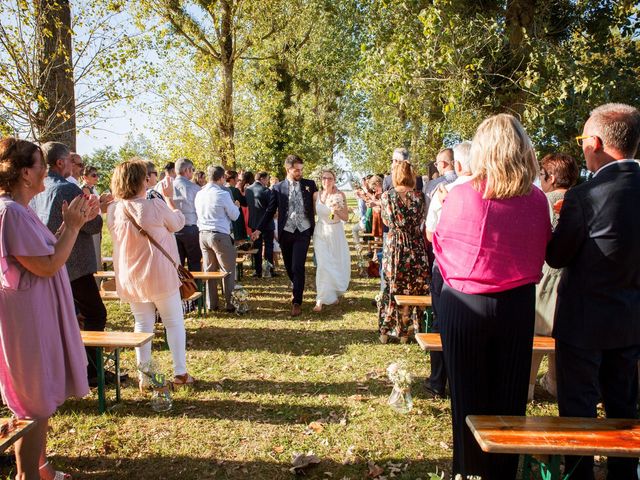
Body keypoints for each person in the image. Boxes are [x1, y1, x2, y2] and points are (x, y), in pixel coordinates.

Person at [434, 114, 551, 479]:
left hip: (465, 302)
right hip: (515, 303)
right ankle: (502, 472)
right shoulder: (536, 199)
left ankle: (468, 471)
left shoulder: (462, 194)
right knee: (508, 397)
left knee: (467, 398)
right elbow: (542, 248)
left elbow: (441, 244)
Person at [546, 103, 640, 480]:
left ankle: (580, 474)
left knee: (578, 412)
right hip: (631, 320)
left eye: (583, 139)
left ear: (596, 143)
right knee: (624, 409)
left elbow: (556, 256)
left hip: (582, 325)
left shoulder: (584, 197)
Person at [0, 137, 92, 480]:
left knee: (38, 398)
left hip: (36, 314)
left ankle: (41, 467)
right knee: (32, 404)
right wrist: (73, 226)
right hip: (25, 321)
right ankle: (29, 475)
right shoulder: (9, 212)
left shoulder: (21, 211)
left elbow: (44, 250)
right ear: (25, 173)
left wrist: (72, 221)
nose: (47, 171)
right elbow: (49, 264)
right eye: (41, 165)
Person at [31, 141, 113, 387]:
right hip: (73, 263)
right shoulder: (68, 189)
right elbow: (91, 225)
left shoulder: (39, 189)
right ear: (60, 162)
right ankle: (90, 370)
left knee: (70, 318)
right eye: (70, 160)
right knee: (95, 313)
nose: (75, 166)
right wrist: (99, 211)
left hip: (51, 262)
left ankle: (75, 367)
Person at [107, 159, 195, 388]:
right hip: (159, 274)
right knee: (173, 322)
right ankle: (180, 373)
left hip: (132, 276)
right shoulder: (153, 206)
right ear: (140, 181)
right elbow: (178, 222)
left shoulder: (113, 210)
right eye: (146, 177)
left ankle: (145, 376)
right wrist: (169, 198)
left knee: (142, 324)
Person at [527, 153, 579, 401]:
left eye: (542, 175)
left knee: (537, 333)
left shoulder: (543, 202)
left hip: (547, 273)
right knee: (561, 335)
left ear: (552, 176)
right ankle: (556, 383)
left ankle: (526, 387)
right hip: (573, 276)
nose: (540, 180)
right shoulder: (581, 200)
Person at [424, 141, 473, 398]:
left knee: (442, 322)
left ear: (458, 164)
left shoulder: (443, 192)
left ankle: (437, 380)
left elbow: (431, 234)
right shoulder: (496, 190)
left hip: (445, 268)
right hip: (478, 272)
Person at [252, 154, 318, 317]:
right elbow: (270, 210)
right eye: (297, 170)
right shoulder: (278, 188)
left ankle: (297, 301)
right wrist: (259, 229)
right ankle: (295, 284)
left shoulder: (309, 185)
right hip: (285, 232)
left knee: (298, 266)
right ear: (288, 169)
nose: (300, 173)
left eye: (301, 170)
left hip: (303, 231)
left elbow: (319, 203)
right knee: (289, 266)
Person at [378, 160, 430, 343]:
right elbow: (423, 218)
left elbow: (385, 222)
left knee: (393, 286)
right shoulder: (420, 197)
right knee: (415, 286)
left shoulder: (386, 197)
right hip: (415, 245)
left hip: (396, 246)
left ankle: (389, 329)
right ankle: (411, 329)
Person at [195, 166, 240, 312]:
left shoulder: (199, 193)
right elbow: (234, 216)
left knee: (209, 270)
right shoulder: (222, 194)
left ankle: (211, 303)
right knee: (228, 270)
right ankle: (230, 303)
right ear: (221, 178)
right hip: (219, 234)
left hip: (203, 234)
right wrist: (236, 206)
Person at [312, 168, 350, 312]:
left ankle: (332, 295)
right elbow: (312, 214)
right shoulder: (316, 195)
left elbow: (345, 217)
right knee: (322, 264)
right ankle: (320, 300)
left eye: (329, 178)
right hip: (320, 231)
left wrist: (336, 209)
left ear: (334, 180)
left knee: (334, 263)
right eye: (324, 178)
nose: (326, 181)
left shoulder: (340, 194)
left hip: (336, 232)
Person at [173, 158, 202, 271]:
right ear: (187, 170)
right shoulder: (195, 189)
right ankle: (195, 287)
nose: (193, 172)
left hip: (173, 230)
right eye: (192, 170)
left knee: (177, 264)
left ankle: (179, 288)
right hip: (191, 228)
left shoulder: (165, 187)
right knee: (194, 263)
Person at [246, 171, 275, 277]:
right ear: (262, 179)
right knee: (268, 247)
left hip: (254, 223)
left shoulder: (248, 190)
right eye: (267, 179)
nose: (267, 182)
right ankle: (268, 270)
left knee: (257, 247)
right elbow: (271, 208)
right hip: (266, 223)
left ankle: (258, 270)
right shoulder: (266, 190)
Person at [80, 165, 103, 272]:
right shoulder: (85, 189)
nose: (96, 177)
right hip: (90, 224)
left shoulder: (93, 189)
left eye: (97, 175)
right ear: (85, 177)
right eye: (93, 175)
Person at [225, 170, 248, 243]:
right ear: (232, 179)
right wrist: (246, 192)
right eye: (236, 178)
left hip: (226, 220)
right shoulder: (234, 190)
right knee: (238, 243)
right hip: (236, 220)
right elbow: (244, 203)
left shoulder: (222, 189)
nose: (238, 180)